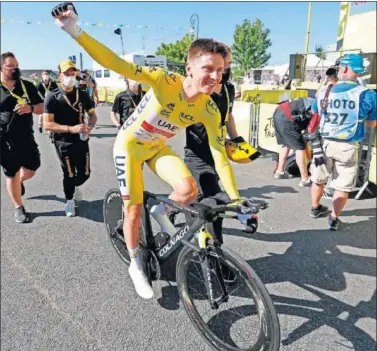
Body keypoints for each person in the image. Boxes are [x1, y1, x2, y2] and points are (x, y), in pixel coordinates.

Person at [52, 2, 245, 299]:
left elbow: (220, 157)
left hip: (156, 147)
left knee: (188, 189)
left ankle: (162, 209)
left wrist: (236, 200)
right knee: (133, 210)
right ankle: (136, 264)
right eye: (208, 68)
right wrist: (74, 31)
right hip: (129, 148)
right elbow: (116, 63)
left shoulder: (208, 107)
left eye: (220, 70)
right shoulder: (163, 81)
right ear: (189, 66)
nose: (215, 77)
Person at [183, 46, 260, 249]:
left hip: (218, 155)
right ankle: (213, 252)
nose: (223, 69)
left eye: (226, 65)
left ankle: (186, 219)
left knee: (202, 200)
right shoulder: (199, 88)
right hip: (196, 156)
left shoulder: (228, 89)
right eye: (220, 65)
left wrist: (237, 140)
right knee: (212, 203)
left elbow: (228, 117)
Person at [308, 53, 376, 231]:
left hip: (323, 144)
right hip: (348, 145)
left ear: (344, 68)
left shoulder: (324, 91)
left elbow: (316, 112)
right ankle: (334, 218)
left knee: (319, 178)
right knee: (342, 185)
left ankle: (315, 208)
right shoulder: (366, 94)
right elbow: (372, 122)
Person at [43, 60, 97, 217]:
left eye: (73, 73)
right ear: (59, 75)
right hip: (62, 141)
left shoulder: (83, 94)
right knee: (69, 174)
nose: (70, 77)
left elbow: (93, 115)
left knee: (85, 173)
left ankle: (75, 187)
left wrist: (89, 128)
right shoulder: (52, 97)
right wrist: (70, 129)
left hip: (81, 139)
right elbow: (47, 124)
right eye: (67, 74)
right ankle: (69, 201)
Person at [0, 52, 44, 223]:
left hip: (26, 137)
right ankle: (19, 207)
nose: (15, 69)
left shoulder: (26, 86)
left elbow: (41, 107)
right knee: (11, 174)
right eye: (11, 66)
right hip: (5, 141)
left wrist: (30, 109)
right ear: (2, 68)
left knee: (32, 168)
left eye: (17, 65)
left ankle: (20, 182)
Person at [273, 97, 314, 187]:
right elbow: (309, 130)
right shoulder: (318, 107)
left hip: (278, 112)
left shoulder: (311, 101)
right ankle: (305, 179)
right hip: (288, 116)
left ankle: (279, 171)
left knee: (286, 144)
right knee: (300, 147)